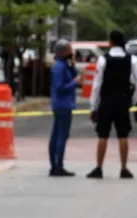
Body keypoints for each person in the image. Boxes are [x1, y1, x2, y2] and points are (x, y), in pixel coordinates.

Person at [87, 29, 137, 179]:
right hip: (123, 101)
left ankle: (99, 168)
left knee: (103, 135)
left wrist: (93, 106)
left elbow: (97, 85)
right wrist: (133, 100)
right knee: (123, 135)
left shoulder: (103, 59)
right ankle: (124, 168)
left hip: (106, 101)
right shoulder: (131, 60)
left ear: (110, 41)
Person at [49, 39, 81, 177]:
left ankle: (56, 165)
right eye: (69, 50)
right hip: (63, 104)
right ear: (62, 52)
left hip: (63, 104)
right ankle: (57, 165)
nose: (71, 52)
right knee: (60, 135)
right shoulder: (59, 67)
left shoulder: (64, 65)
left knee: (58, 134)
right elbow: (60, 87)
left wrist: (72, 65)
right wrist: (74, 83)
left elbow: (74, 74)